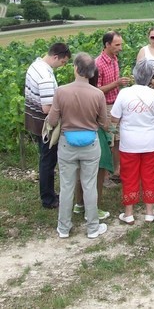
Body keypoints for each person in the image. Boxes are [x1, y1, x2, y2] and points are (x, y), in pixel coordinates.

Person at [47, 53, 109, 239]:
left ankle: (64, 228)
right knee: (89, 185)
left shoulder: (61, 91)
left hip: (67, 143)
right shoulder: (97, 94)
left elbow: (52, 119)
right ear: (91, 73)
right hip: (90, 143)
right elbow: (104, 123)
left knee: (66, 186)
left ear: (75, 68)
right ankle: (92, 228)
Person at [111, 60, 154, 224]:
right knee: (149, 176)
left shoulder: (124, 93)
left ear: (135, 75)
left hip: (129, 142)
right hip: (151, 142)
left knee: (129, 176)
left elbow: (114, 118)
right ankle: (149, 212)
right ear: (150, 77)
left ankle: (128, 213)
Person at [24, 42, 71, 209]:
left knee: (44, 159)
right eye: (63, 62)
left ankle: (48, 194)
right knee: (48, 161)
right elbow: (47, 108)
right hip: (44, 124)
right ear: (55, 57)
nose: (62, 66)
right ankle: (48, 198)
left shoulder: (35, 65)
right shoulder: (45, 76)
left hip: (33, 119)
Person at [73, 69, 113, 221]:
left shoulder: (70, 91)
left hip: (74, 137)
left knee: (79, 172)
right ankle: (94, 208)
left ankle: (79, 204)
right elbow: (103, 122)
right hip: (94, 136)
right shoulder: (96, 94)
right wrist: (110, 129)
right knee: (97, 175)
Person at [95, 31, 131, 183]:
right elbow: (96, 90)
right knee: (107, 141)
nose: (120, 48)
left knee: (117, 139)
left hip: (116, 104)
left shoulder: (114, 59)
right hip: (105, 106)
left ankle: (117, 170)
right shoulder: (98, 64)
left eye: (120, 44)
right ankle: (105, 175)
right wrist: (117, 84)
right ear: (107, 45)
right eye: (117, 45)